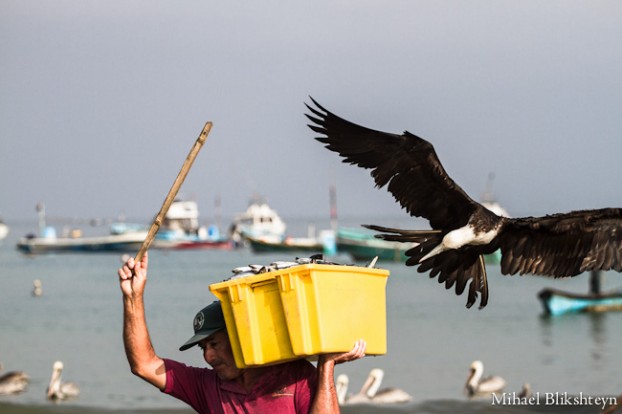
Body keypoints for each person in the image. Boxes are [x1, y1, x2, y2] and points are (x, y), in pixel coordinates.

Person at [118, 253, 366, 413]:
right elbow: (144, 365)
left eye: (214, 343)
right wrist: (133, 297)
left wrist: (326, 367)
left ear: (240, 335)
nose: (208, 356)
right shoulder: (208, 386)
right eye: (203, 348)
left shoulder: (296, 377)